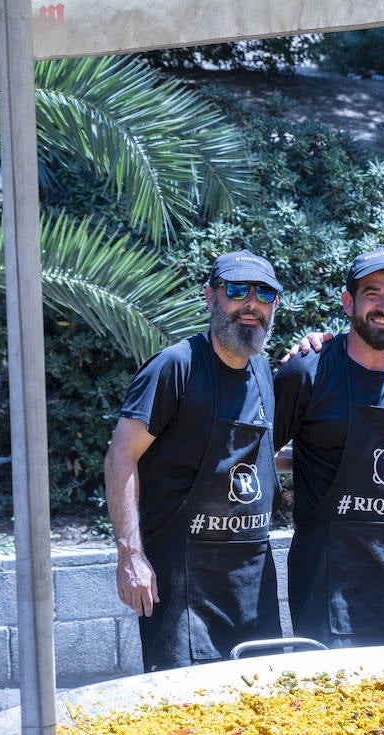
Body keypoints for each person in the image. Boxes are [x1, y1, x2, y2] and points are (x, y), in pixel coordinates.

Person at [104, 249, 285, 671]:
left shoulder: (263, 373)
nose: (251, 304)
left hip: (251, 582)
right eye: (237, 291)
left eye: (264, 295)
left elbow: (250, 460)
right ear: (210, 297)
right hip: (184, 587)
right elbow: (120, 457)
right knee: (185, 704)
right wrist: (130, 556)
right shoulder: (175, 367)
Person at [272, 250, 384, 647]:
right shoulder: (307, 371)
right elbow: (256, 452)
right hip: (330, 589)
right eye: (371, 293)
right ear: (348, 302)